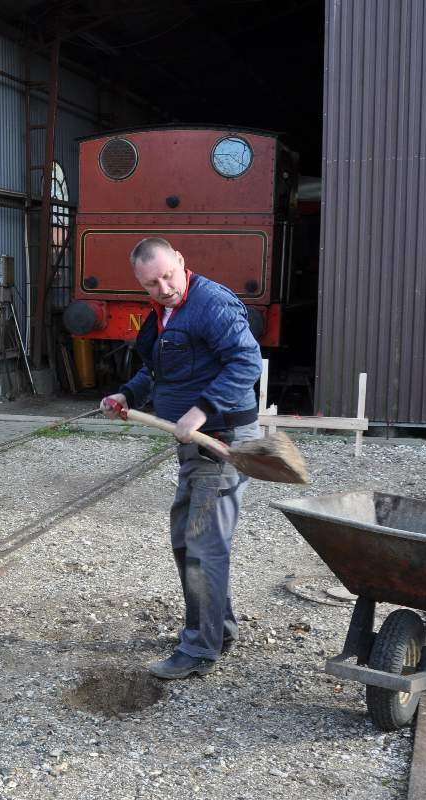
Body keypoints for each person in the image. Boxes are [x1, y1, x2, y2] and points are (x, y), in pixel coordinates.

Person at [101, 238, 263, 681]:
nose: (164, 287)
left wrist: (202, 409)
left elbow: (247, 361)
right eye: (152, 283)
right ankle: (216, 629)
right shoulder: (162, 313)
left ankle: (199, 649)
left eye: (168, 276)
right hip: (194, 445)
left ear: (181, 263)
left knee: (201, 545)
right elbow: (157, 369)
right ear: (141, 285)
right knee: (184, 538)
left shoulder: (211, 303)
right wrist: (127, 394)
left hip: (221, 439)